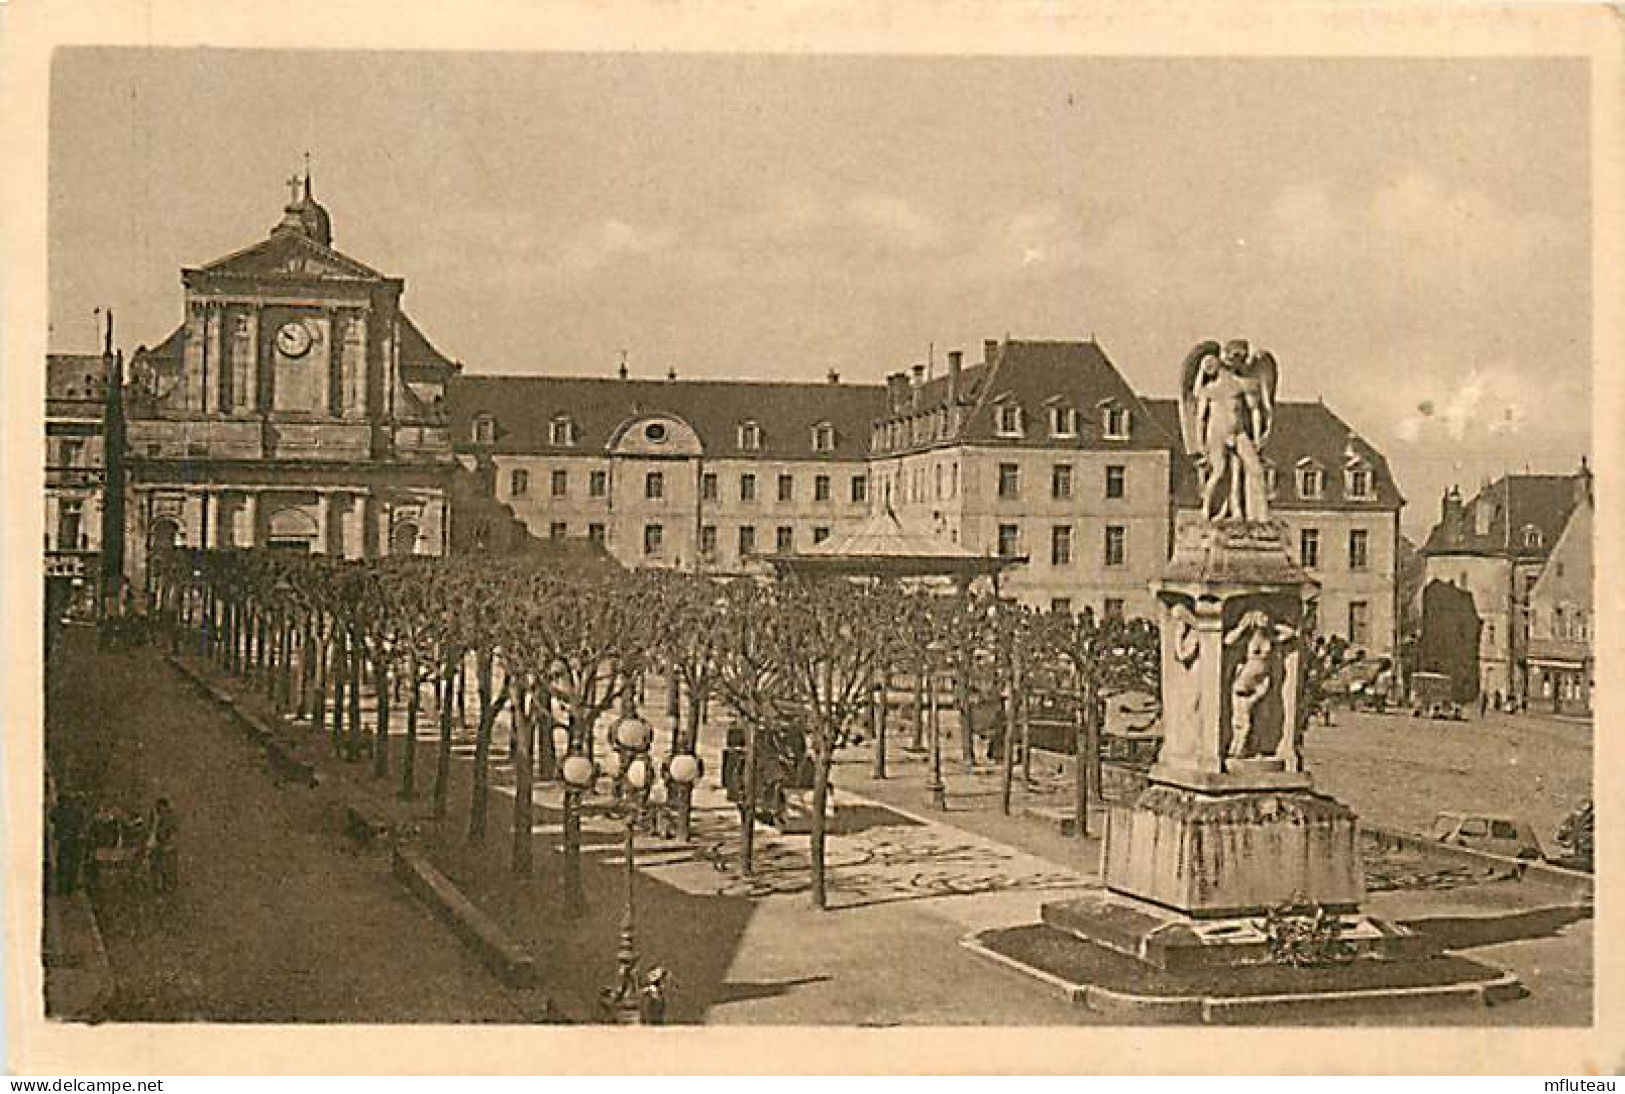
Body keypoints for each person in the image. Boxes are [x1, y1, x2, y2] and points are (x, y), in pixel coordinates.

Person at [148, 797, 179, 893]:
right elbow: (153, 831)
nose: (159, 809)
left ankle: (168, 885)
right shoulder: (155, 817)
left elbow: (169, 833)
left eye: (160, 807)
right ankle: (159, 884)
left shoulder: (169, 818)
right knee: (157, 866)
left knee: (167, 867)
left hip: (167, 847)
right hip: (159, 847)